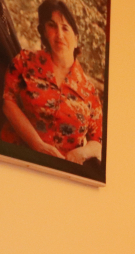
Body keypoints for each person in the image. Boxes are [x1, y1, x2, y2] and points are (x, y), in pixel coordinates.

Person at [1, 0, 102, 165]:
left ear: (76, 39)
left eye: (65, 28)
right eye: (52, 26)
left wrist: (82, 153)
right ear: (44, 32)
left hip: (60, 173)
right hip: (15, 162)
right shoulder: (24, 61)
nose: (59, 34)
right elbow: (8, 102)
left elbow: (98, 141)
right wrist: (37, 144)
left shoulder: (89, 90)